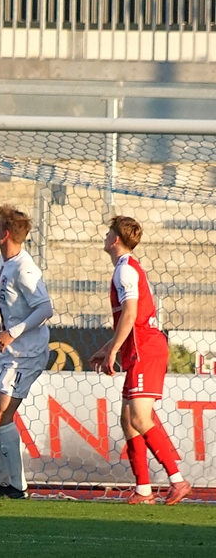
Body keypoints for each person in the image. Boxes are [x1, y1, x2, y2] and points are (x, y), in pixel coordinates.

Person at [91, 216, 192, 505]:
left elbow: (131, 314)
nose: (105, 236)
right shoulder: (126, 268)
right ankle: (144, 490)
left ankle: (177, 480)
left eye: (108, 232)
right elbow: (131, 320)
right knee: (128, 420)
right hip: (140, 348)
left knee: (139, 418)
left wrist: (113, 350)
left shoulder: (125, 270)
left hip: (145, 349)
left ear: (115, 239)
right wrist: (108, 347)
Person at [0, 205, 53, 500]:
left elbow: (45, 309)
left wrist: (12, 332)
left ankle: (16, 486)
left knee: (2, 413)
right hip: (11, 350)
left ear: (5, 234)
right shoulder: (4, 262)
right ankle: (1, 482)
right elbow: (1, 295)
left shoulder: (25, 269)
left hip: (28, 352)